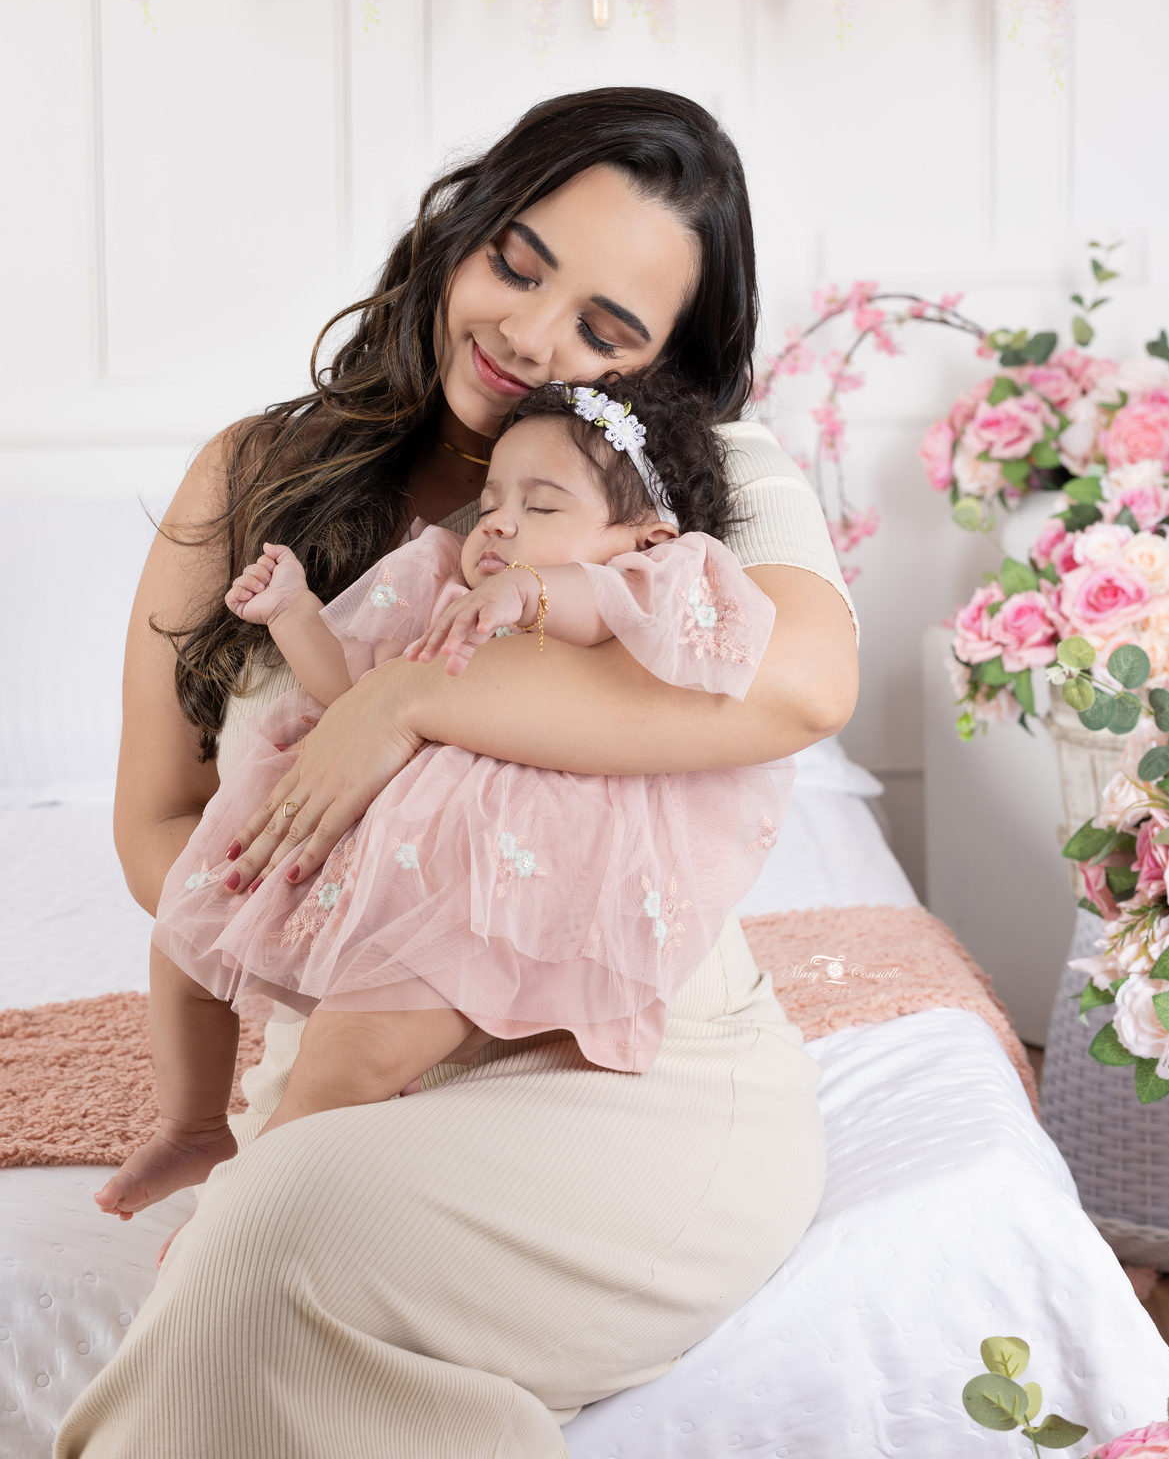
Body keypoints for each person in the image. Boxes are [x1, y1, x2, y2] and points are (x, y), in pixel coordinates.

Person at [55, 87, 859, 1459]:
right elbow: (162, 819)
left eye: (607, 330)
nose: (533, 337)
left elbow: (799, 681)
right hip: (354, 1039)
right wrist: (320, 901)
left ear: (667, 363)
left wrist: (415, 703)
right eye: (519, 264)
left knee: (266, 1250)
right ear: (461, 233)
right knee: (275, 1243)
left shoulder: (704, 480)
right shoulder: (254, 478)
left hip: (633, 1073)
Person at [96, 377, 794, 1220]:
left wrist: (529, 593)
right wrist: (294, 615)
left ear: (639, 537)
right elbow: (354, 689)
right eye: (493, 495)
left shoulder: (646, 582)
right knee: (186, 925)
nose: (497, 521)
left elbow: (600, 599)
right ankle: (193, 1125)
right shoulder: (441, 582)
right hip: (374, 850)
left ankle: (253, 1205)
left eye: (541, 507)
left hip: (482, 896)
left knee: (348, 1056)